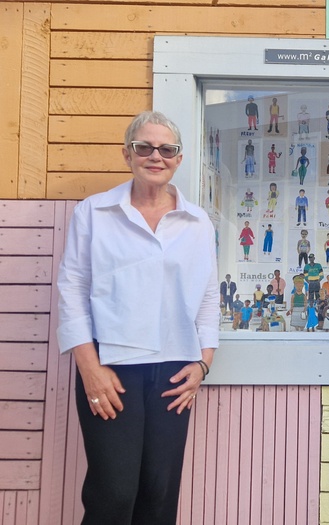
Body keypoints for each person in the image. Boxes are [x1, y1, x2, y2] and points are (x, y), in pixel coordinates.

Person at [56, 111, 218, 525]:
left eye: (167, 149)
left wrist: (203, 364)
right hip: (111, 369)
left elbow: (208, 296)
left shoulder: (198, 223)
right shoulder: (94, 212)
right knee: (113, 494)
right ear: (127, 153)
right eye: (144, 147)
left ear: (179, 159)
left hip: (173, 372)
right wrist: (89, 368)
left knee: (159, 495)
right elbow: (72, 288)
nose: (155, 156)